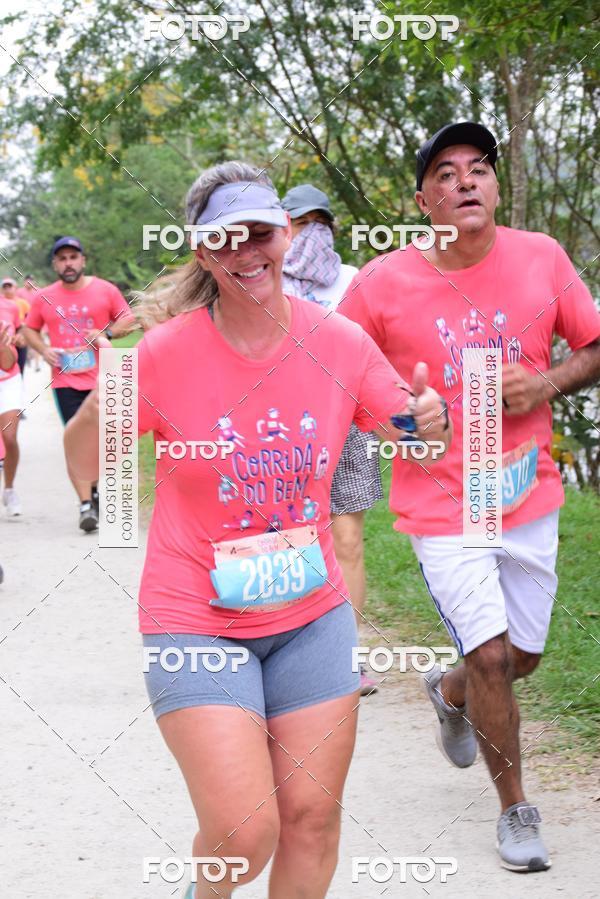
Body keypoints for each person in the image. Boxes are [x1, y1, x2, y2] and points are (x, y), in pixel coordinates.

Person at [64, 162, 452, 899]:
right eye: (226, 238)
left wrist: (428, 419)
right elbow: (86, 468)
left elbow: (412, 431)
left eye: (262, 233)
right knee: (244, 833)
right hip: (196, 622)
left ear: (287, 235)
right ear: (204, 253)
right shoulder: (165, 350)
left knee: (311, 820)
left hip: (311, 617)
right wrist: (101, 403)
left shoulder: (338, 342)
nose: (248, 252)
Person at [340, 121, 600, 873]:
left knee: (522, 654)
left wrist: (547, 381)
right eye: (445, 174)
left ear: (495, 186)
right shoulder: (382, 281)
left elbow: (593, 343)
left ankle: (450, 691)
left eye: (478, 168)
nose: (465, 181)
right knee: (489, 652)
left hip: (526, 494)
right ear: (423, 200)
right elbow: (333, 371)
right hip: (444, 504)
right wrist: (399, 414)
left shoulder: (542, 258)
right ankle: (516, 807)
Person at [281, 184, 381, 696]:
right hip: (281, 432)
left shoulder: (354, 280)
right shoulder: (266, 281)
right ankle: (291, 654)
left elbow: (372, 351)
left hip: (347, 428)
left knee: (347, 542)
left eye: (321, 222)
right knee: (292, 543)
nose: (311, 231)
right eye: (302, 222)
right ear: (283, 227)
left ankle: (347, 658)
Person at [23, 236, 133, 532]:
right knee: (76, 442)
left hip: (102, 377)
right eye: (62, 258)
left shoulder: (105, 290)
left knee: (103, 442)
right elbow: (29, 328)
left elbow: (129, 319)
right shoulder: (43, 296)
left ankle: (93, 488)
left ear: (83, 261)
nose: (68, 263)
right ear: (55, 264)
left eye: (73, 257)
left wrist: (106, 334)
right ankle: (86, 504)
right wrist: (43, 349)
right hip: (66, 381)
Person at [0, 300, 24, 516]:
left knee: (9, 437)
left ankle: (8, 489)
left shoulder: (9, 307)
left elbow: (8, 363)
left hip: (6, 380)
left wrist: (1, 345)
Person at [1, 278, 29, 376]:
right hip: (5, 339)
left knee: (19, 368)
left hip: (19, 335)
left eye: (10, 286)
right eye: (5, 287)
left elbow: (28, 319)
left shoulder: (22, 303)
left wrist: (22, 332)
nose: (7, 289)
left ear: (15, 288)